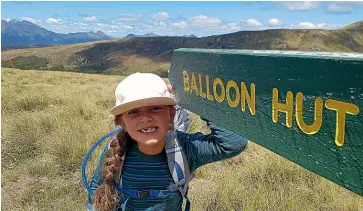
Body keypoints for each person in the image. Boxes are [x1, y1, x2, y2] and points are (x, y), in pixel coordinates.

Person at [86, 72, 248, 211]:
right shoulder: (117, 150)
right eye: (134, 111)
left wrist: (199, 99)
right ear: (122, 122)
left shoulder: (184, 148)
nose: (145, 117)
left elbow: (233, 144)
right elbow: (96, 189)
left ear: (171, 113)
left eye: (155, 108)